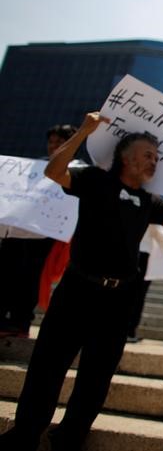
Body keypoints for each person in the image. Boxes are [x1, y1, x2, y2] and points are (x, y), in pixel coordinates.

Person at [0, 112, 163, 451]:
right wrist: (84, 132)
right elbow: (53, 172)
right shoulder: (94, 180)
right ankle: (25, 433)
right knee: (48, 365)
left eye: (156, 156)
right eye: (148, 155)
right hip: (78, 288)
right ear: (126, 157)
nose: (154, 161)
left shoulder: (150, 202)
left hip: (119, 298)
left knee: (97, 376)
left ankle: (70, 437)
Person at [0, 124, 78, 338]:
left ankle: (20, 321)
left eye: (60, 142)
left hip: (47, 235)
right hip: (16, 230)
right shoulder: (32, 166)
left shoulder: (79, 171)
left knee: (31, 277)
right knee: (6, 273)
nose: (54, 146)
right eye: (51, 142)